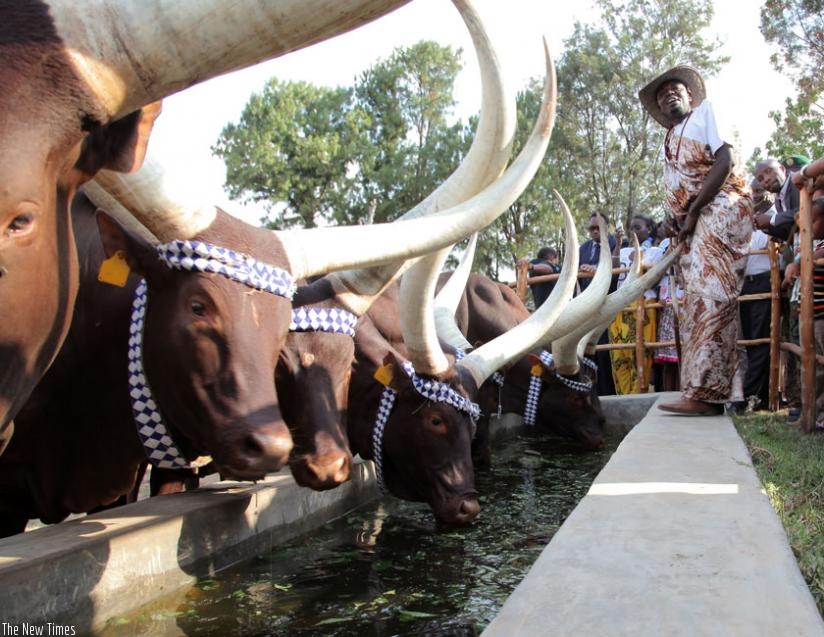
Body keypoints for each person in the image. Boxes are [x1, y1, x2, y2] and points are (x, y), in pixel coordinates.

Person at [638, 64, 753, 415]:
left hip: (719, 211)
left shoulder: (707, 113)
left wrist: (692, 211)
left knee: (712, 297)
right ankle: (714, 392)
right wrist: (678, 218)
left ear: (690, 95)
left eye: (675, 89)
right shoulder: (670, 138)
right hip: (694, 222)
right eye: (661, 94)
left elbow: (726, 159)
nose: (668, 94)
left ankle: (704, 395)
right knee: (694, 306)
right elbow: (682, 187)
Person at [608, 214, 659, 394]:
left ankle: (638, 395)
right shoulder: (622, 251)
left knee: (639, 355)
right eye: (632, 228)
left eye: (638, 227)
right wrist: (618, 244)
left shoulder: (655, 251)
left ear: (649, 229)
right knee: (619, 356)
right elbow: (613, 272)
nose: (634, 232)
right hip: (620, 307)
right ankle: (622, 396)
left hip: (643, 306)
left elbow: (652, 279)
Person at [578, 212, 619, 395]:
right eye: (591, 228)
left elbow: (618, 269)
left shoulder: (616, 243)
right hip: (587, 307)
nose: (595, 231)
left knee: (606, 352)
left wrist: (597, 269)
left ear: (607, 227)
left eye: (598, 227)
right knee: (589, 351)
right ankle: (593, 391)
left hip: (608, 304)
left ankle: (609, 392)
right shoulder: (584, 248)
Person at [754, 157, 801, 241]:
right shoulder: (778, 200)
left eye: (768, 171)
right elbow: (789, 232)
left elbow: (806, 211)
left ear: (782, 169)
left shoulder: (798, 183)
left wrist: (771, 219)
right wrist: (763, 226)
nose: (766, 179)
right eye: (760, 179)